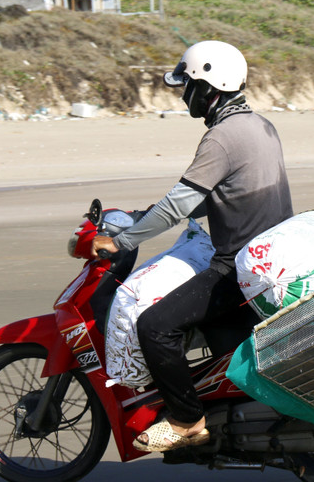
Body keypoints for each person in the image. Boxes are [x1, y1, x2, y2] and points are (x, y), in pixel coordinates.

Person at [91, 40, 293, 452]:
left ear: (209, 88)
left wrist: (123, 240)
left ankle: (186, 419)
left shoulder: (222, 137)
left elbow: (178, 205)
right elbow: (222, 194)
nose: (184, 94)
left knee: (155, 325)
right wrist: (147, 212)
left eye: (188, 85)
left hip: (238, 268)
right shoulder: (259, 126)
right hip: (273, 258)